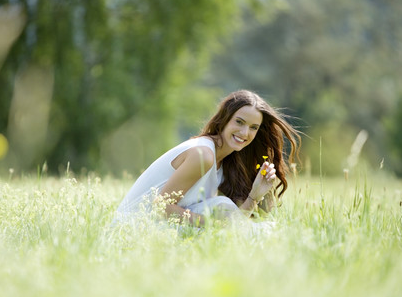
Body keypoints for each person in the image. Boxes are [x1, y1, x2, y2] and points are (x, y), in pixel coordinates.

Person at [115, 90, 300, 226]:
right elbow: (161, 207)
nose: (245, 133)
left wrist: (254, 195)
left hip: (160, 228)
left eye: (253, 127)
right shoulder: (203, 155)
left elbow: (232, 223)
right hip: (134, 229)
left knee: (242, 219)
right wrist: (214, 225)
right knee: (226, 208)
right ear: (225, 119)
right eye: (239, 122)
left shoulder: (225, 163)